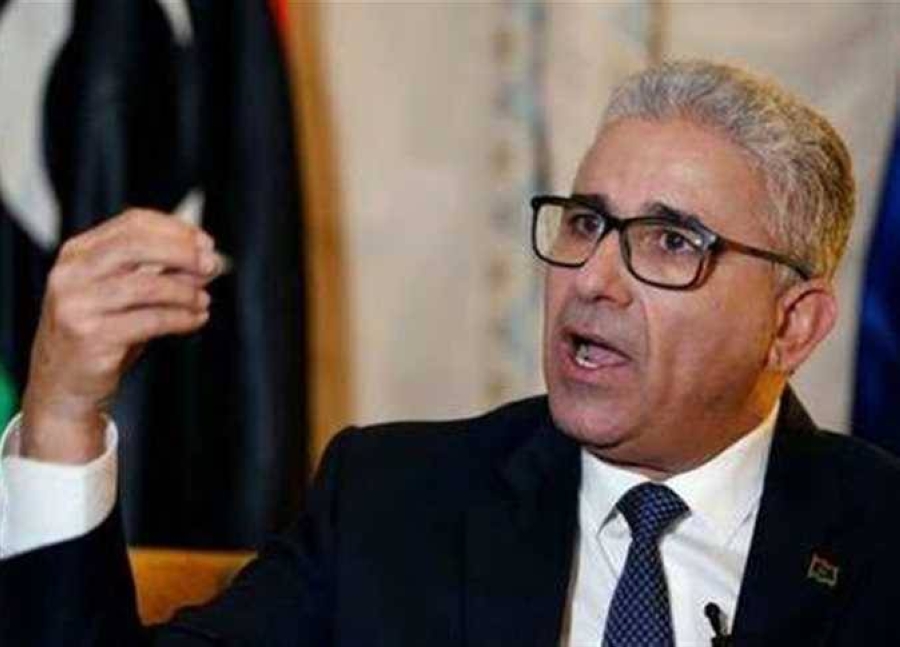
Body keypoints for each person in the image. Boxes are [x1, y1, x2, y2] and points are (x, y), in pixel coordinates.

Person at [2, 59, 900, 646]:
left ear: (793, 325)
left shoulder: (879, 539)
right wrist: (61, 411)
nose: (594, 279)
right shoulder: (394, 504)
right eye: (585, 223)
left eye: (670, 243)